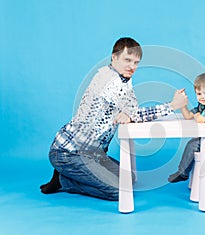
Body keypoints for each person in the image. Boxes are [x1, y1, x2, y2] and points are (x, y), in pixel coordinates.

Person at [40, 37, 188, 200]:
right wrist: (172, 105)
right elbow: (137, 114)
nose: (132, 67)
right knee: (120, 191)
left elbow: (131, 111)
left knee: (129, 178)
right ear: (114, 57)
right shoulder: (109, 80)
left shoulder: (124, 80)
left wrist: (129, 114)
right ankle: (63, 181)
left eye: (136, 62)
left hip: (93, 154)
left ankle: (71, 175)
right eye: (127, 60)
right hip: (69, 152)